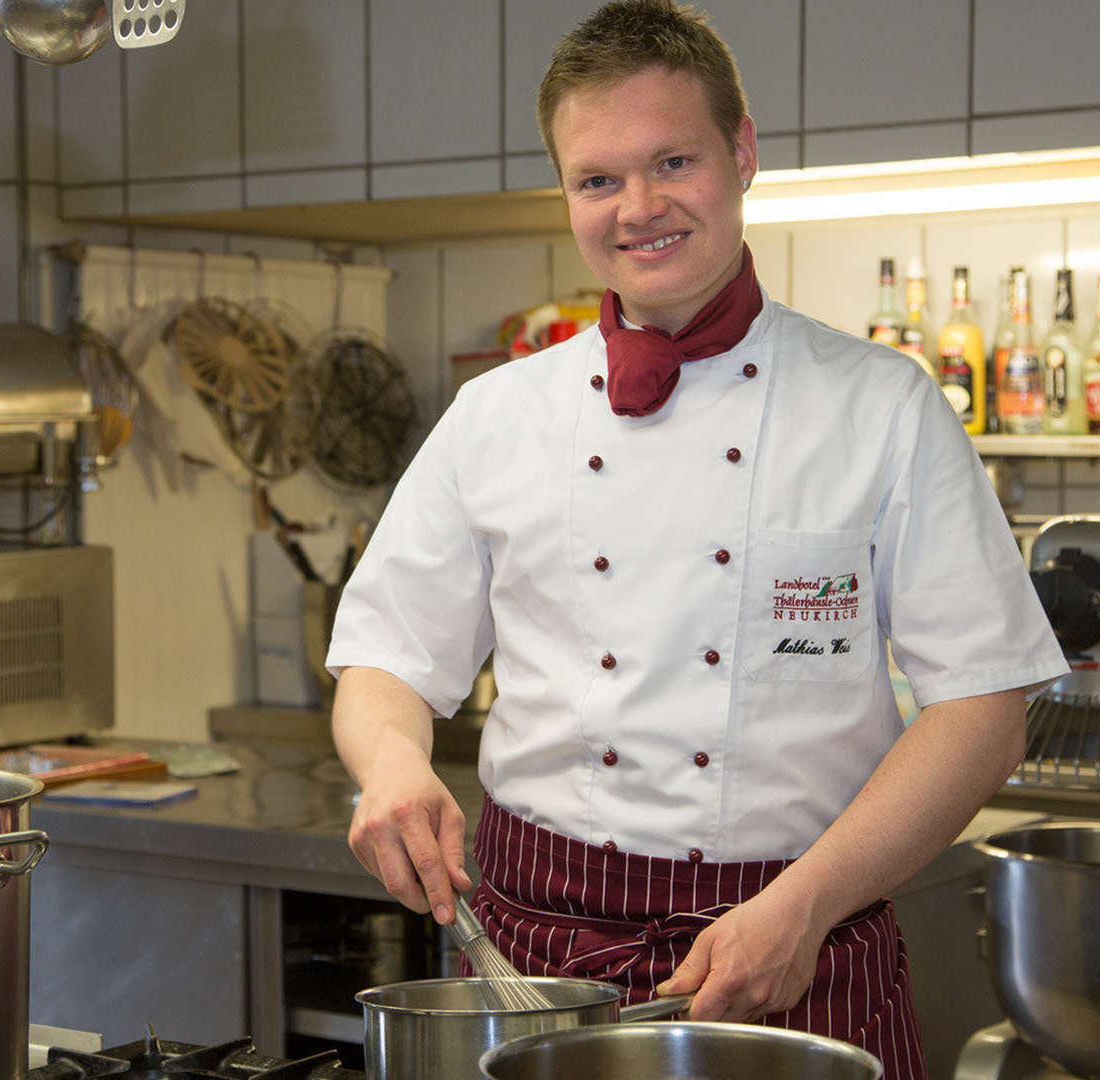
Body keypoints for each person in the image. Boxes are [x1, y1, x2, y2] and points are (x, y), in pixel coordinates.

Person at [325, 1, 1068, 1076]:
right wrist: (390, 763)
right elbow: (387, 652)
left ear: (743, 153)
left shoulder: (883, 406)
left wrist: (802, 906)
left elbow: (987, 709)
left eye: (674, 159)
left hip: (811, 945)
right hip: (543, 964)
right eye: (597, 179)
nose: (638, 207)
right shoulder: (499, 414)